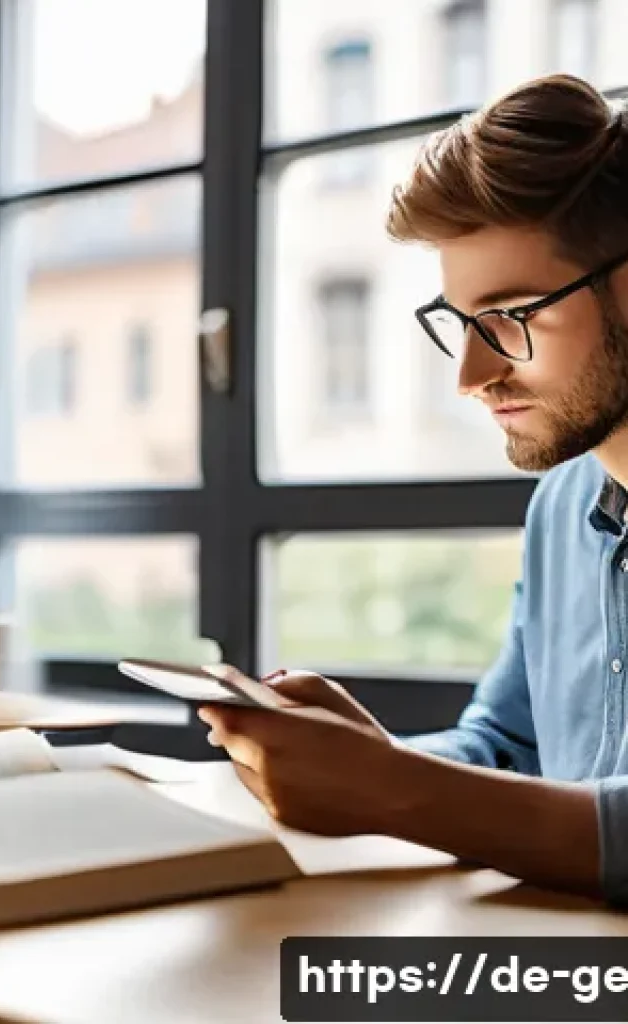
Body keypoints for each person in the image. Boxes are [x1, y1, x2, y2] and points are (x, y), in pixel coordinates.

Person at [199, 73, 628, 904]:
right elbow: (508, 752)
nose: (471, 376)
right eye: (460, 324)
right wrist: (354, 757)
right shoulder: (562, 511)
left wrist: (393, 789)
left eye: (513, 317)